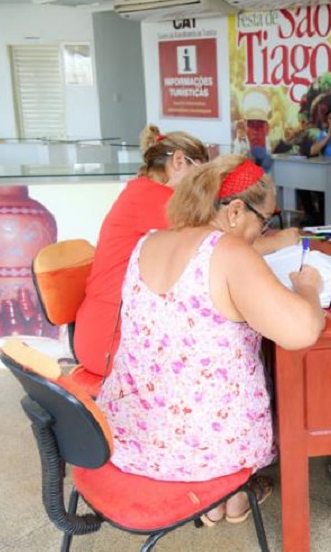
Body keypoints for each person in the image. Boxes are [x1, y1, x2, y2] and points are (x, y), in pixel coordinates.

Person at [97, 156, 325, 524]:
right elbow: (302, 332)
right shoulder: (229, 251)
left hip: (131, 437)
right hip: (204, 448)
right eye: (264, 221)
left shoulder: (147, 243)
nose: (261, 232)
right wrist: (308, 289)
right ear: (235, 211)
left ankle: (215, 501)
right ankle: (224, 493)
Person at [74, 124, 298, 380]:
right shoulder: (158, 200)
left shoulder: (140, 192)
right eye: (201, 175)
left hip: (103, 328)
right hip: (112, 342)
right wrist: (280, 239)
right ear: (179, 161)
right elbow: (213, 246)